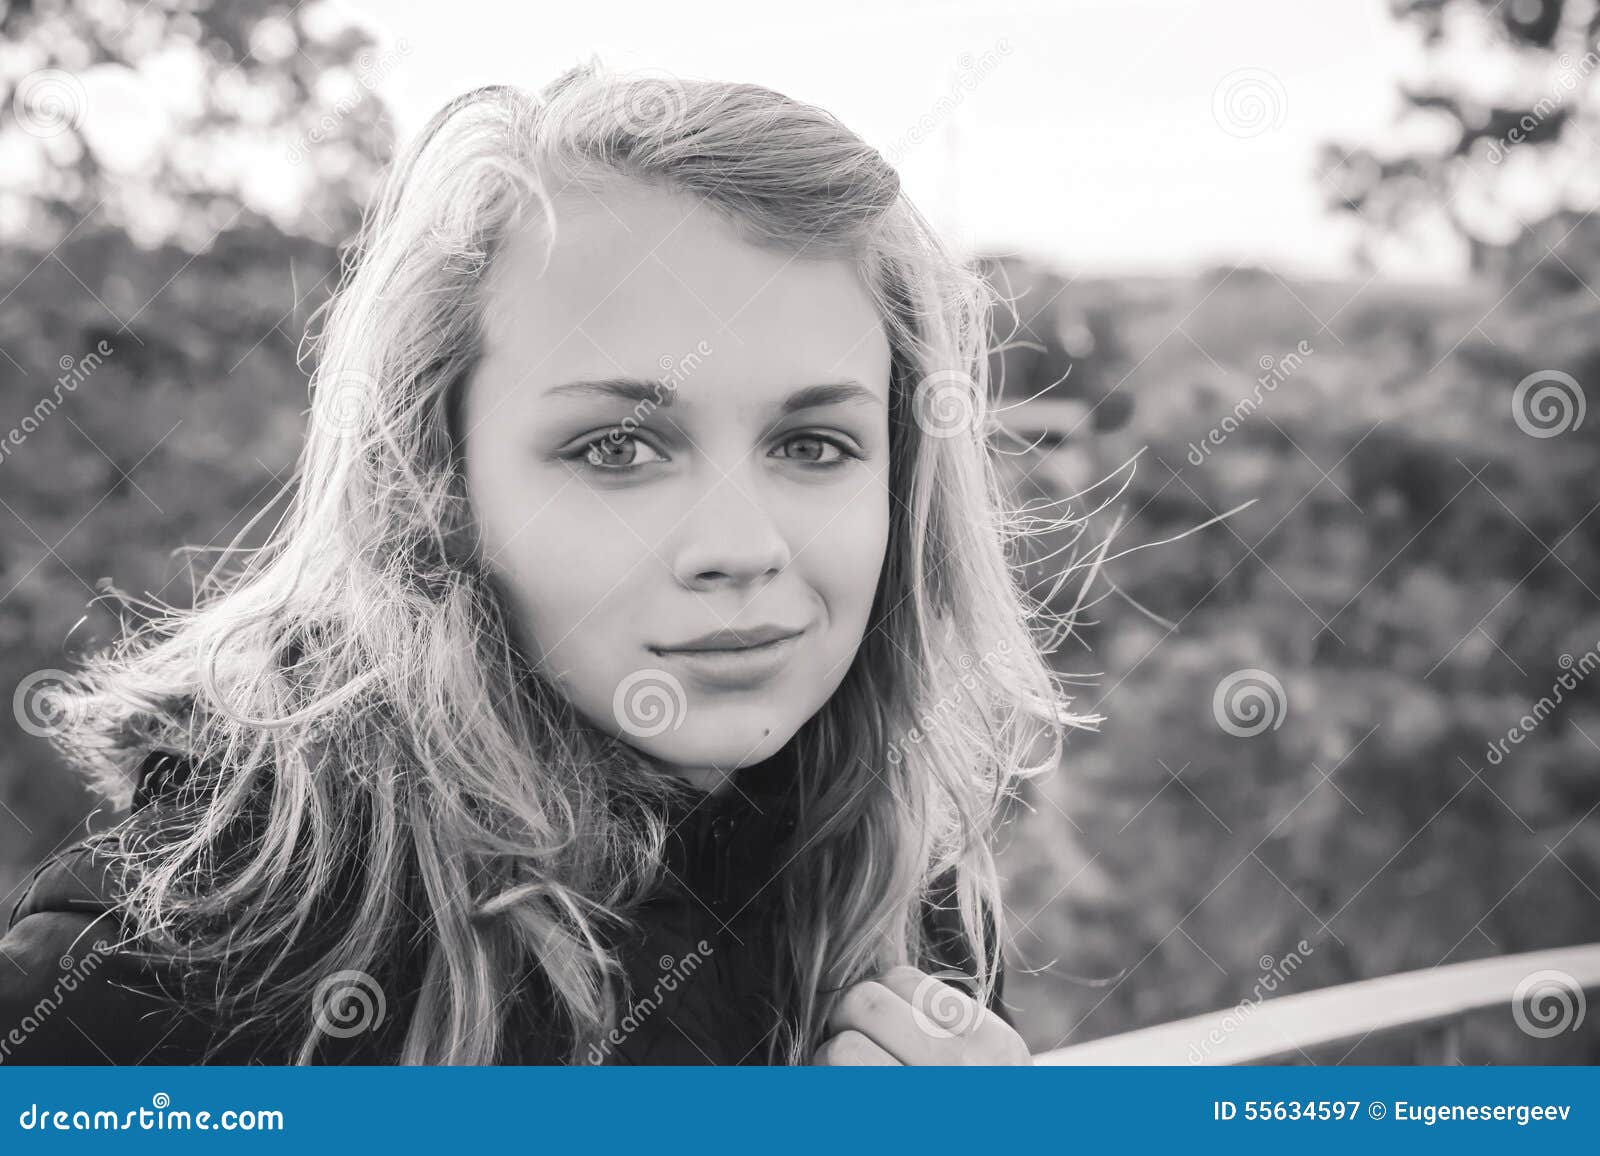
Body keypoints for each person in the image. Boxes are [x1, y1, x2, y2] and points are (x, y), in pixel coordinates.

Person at [1, 60, 1094, 1066]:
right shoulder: (154, 981)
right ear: (435, 483)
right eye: (616, 448)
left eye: (812, 445)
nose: (741, 548)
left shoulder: (905, 907)